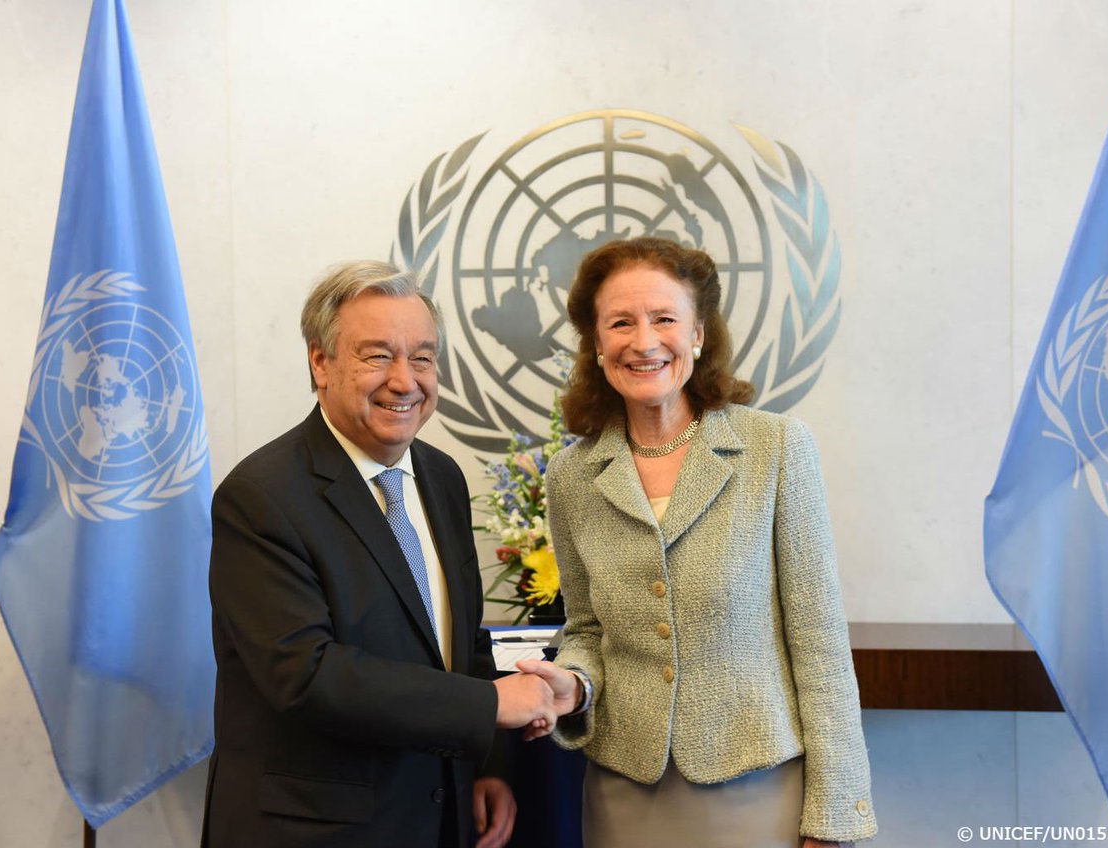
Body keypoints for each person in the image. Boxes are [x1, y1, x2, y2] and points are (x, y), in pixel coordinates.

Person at [517, 237, 878, 847]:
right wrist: (572, 684)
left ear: (700, 333)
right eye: (621, 322)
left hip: (759, 790)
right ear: (597, 343)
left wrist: (835, 812)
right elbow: (586, 632)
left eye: (665, 318)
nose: (644, 340)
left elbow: (819, 644)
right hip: (624, 794)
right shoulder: (572, 476)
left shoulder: (777, 449)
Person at [202, 261, 567, 848]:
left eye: (422, 358)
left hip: (440, 817)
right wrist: (485, 706)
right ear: (320, 362)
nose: (405, 380)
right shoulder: (261, 496)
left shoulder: (441, 477)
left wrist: (484, 766)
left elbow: (457, 642)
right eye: (377, 356)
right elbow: (307, 674)